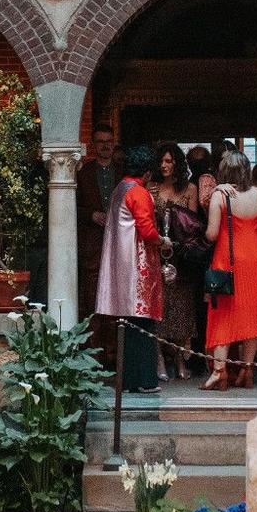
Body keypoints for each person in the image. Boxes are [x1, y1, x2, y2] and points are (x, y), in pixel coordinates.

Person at [97, 143, 168, 393]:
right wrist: (164, 241)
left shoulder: (119, 189)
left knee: (126, 325)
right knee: (143, 322)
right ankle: (146, 380)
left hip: (120, 267)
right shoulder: (138, 192)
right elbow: (148, 231)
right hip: (138, 268)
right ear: (147, 173)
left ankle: (127, 381)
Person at [202, 150, 257, 391]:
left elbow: (211, 235)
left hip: (228, 261)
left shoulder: (220, 196)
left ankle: (219, 372)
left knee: (224, 315)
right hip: (256, 261)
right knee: (251, 315)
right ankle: (247, 370)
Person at [146, 144, 203, 381]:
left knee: (181, 307)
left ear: (177, 163)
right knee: (159, 306)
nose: (164, 165)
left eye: (169, 161)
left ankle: (180, 358)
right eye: (161, 161)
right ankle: (159, 357)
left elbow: (193, 224)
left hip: (180, 256)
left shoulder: (190, 188)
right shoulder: (152, 188)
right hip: (156, 251)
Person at [75, 123, 117, 328]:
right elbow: (73, 206)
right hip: (92, 243)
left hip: (118, 242)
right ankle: (93, 348)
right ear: (94, 144)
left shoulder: (122, 172)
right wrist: (91, 215)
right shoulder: (84, 173)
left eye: (108, 142)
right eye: (100, 142)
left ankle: (112, 351)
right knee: (91, 295)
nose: (105, 146)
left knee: (115, 293)